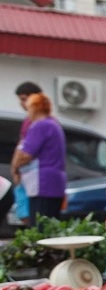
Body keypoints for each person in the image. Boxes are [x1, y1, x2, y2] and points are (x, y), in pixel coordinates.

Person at [10, 92, 66, 226]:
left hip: (43, 184)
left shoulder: (40, 125)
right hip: (54, 183)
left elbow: (25, 154)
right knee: (50, 224)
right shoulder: (53, 124)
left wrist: (15, 167)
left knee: (40, 225)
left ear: (35, 108)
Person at [10, 82, 45, 225]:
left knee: (35, 215)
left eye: (24, 99)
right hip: (24, 172)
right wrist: (15, 168)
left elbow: (28, 151)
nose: (22, 104)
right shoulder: (27, 121)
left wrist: (17, 165)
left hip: (36, 174)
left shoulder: (43, 122)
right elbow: (21, 145)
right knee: (23, 212)